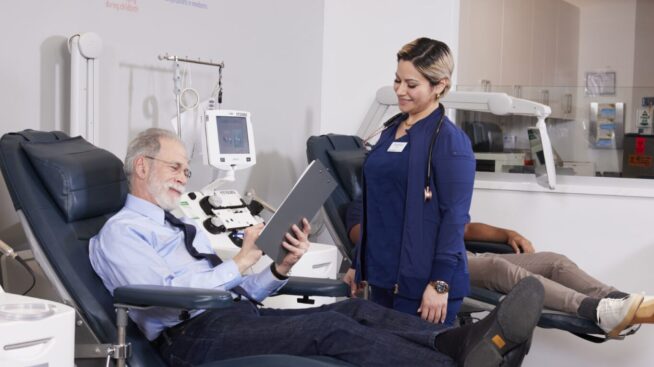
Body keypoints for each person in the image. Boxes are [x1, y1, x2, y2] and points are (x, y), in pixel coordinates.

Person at [89, 128, 546, 367]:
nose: (183, 178)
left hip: (233, 316)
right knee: (331, 330)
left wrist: (278, 268)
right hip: (190, 339)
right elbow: (159, 296)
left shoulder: (176, 223)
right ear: (141, 166)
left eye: (187, 171)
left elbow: (235, 291)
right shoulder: (121, 233)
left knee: (350, 311)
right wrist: (243, 261)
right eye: (176, 167)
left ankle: (463, 341)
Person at [345, 197, 654, 338]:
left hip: (461, 256)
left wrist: (508, 234)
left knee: (553, 261)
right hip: (428, 269)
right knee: (497, 268)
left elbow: (463, 229)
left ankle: (620, 301)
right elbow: (362, 237)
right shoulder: (367, 201)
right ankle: (594, 310)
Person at [343, 37, 476, 326]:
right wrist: (359, 263)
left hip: (425, 288)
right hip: (381, 277)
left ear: (439, 85)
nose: (400, 91)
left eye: (412, 85)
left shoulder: (451, 142)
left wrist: (440, 283)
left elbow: (454, 217)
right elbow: (375, 204)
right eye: (397, 81)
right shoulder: (391, 132)